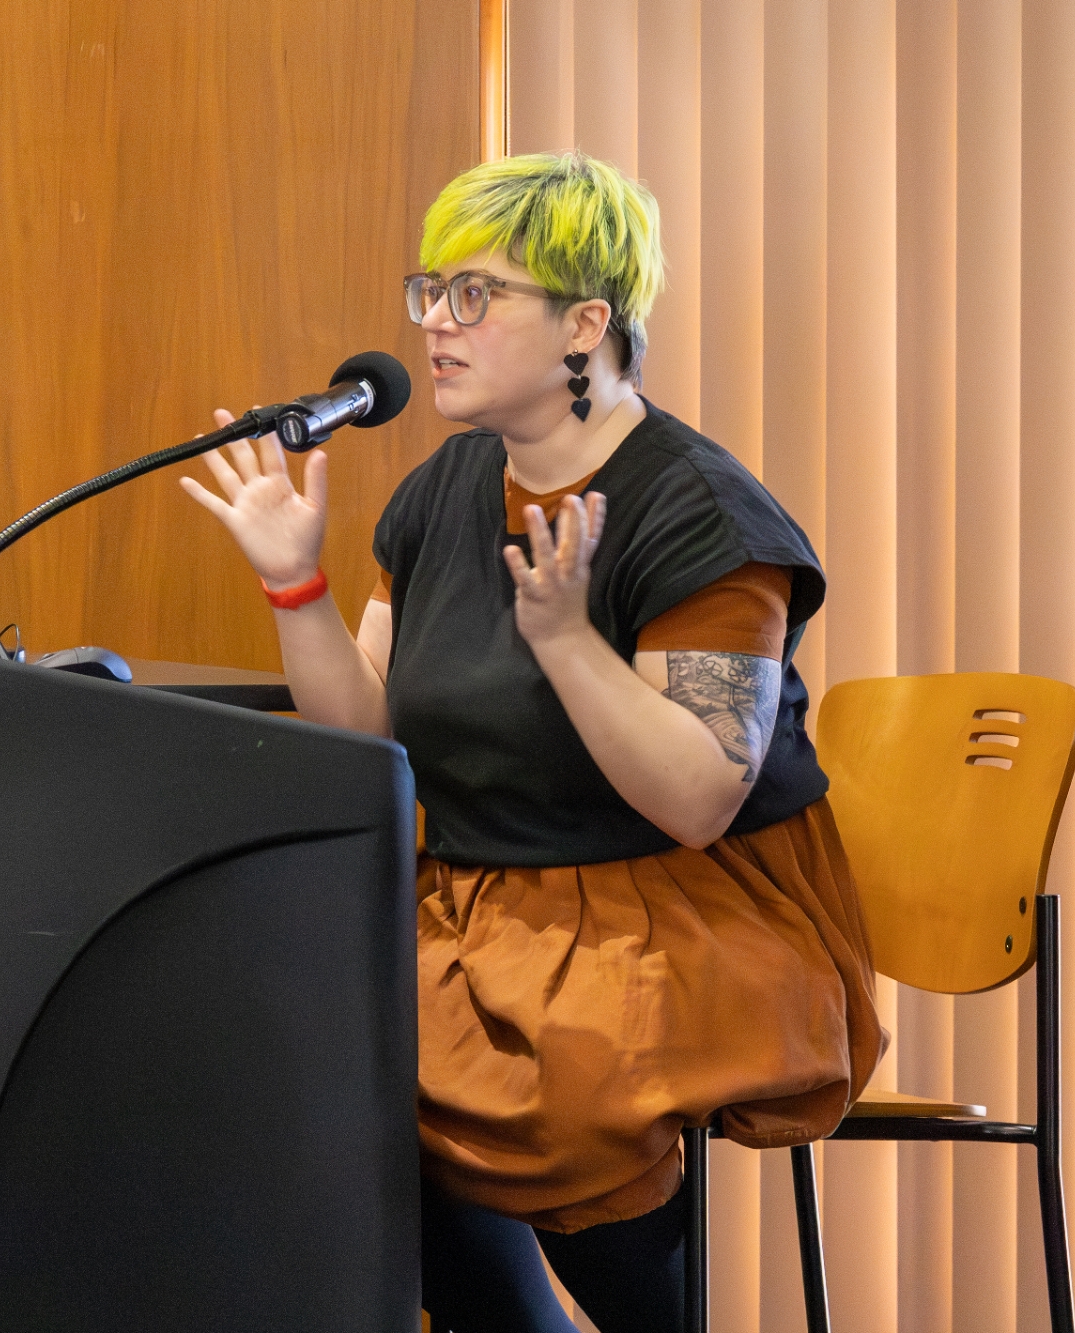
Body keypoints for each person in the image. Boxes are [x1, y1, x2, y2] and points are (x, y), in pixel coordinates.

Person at [181, 151, 885, 1332]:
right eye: (430, 292)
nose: (434, 327)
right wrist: (292, 587)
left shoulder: (702, 515)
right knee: (316, 1061)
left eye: (476, 296)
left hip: (685, 902)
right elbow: (368, 731)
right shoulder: (443, 488)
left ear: (585, 326)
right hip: (484, 897)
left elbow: (700, 795)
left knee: (562, 1076)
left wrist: (564, 638)